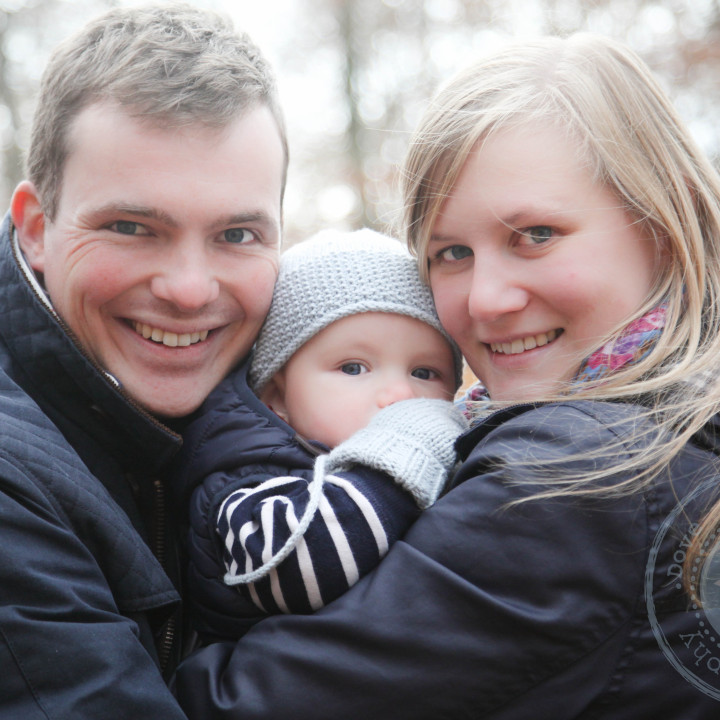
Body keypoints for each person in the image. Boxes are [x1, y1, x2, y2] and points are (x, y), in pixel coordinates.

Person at [175, 34, 720, 718]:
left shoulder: (575, 475)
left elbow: (229, 706)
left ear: (660, 227)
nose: (485, 299)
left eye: (537, 234)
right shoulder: (678, 425)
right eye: (452, 252)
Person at [0, 3, 286, 717]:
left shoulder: (304, 400)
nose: (190, 291)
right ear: (37, 229)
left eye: (237, 235)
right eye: (132, 227)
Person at [175, 228, 466, 638]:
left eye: (424, 372)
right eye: (353, 368)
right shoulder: (246, 473)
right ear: (276, 394)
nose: (400, 395)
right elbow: (297, 568)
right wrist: (407, 448)